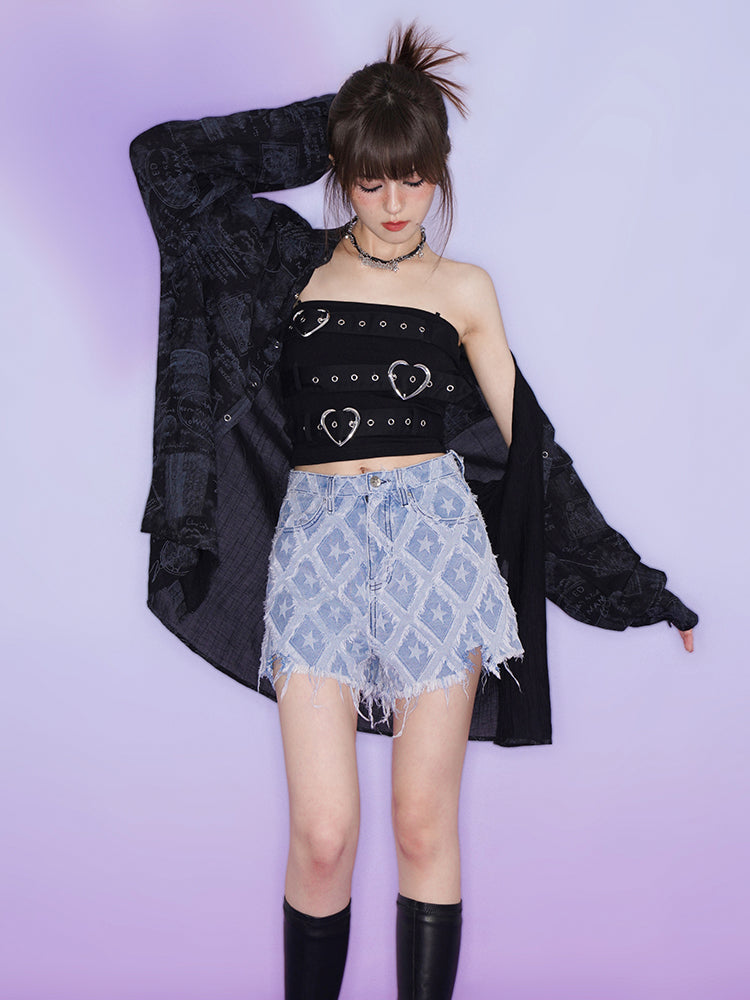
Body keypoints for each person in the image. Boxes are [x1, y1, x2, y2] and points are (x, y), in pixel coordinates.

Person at [130, 22, 697, 1000]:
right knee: (323, 835)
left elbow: (534, 454)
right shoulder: (286, 264)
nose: (395, 204)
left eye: (414, 177)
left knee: (423, 824)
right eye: (370, 178)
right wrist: (355, 115)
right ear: (344, 173)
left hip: (439, 553)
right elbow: (165, 162)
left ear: (439, 173)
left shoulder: (465, 290)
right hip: (316, 557)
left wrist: (636, 589)